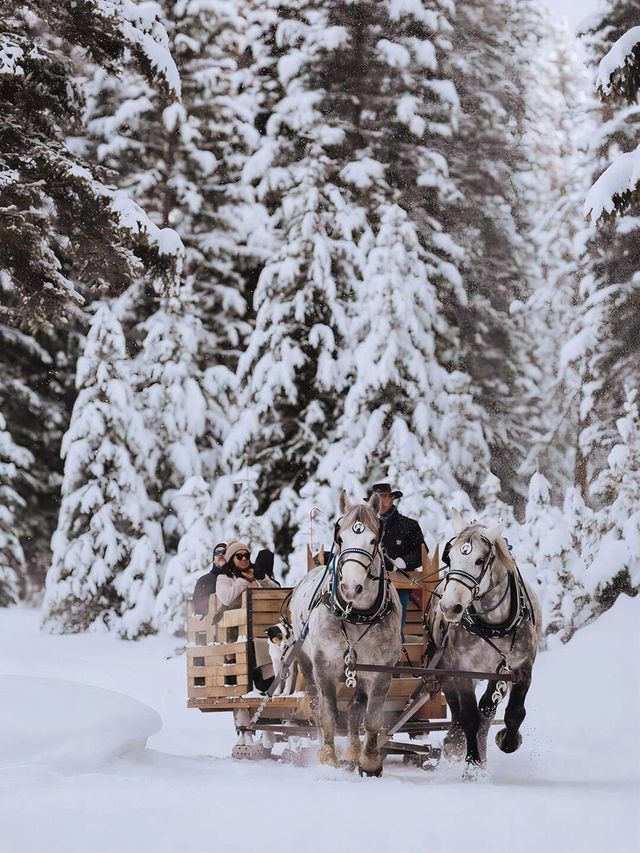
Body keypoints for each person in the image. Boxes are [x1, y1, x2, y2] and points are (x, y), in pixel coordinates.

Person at [370, 482, 426, 627]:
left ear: (392, 498)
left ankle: (397, 640)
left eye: (384, 497)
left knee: (398, 602)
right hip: (370, 582)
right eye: (377, 498)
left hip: (400, 583)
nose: (381, 502)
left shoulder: (409, 526)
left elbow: (422, 554)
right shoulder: (366, 526)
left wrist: (403, 562)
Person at [215, 541, 279, 607]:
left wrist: (263, 579)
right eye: (239, 556)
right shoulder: (224, 578)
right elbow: (226, 599)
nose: (244, 558)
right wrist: (243, 580)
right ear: (231, 559)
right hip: (236, 615)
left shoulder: (255, 573)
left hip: (261, 611)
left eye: (247, 555)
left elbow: (278, 591)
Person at [192, 542, 227, 616]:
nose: (221, 554)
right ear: (213, 559)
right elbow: (199, 609)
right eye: (217, 553)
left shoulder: (235, 578)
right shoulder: (204, 581)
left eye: (224, 552)